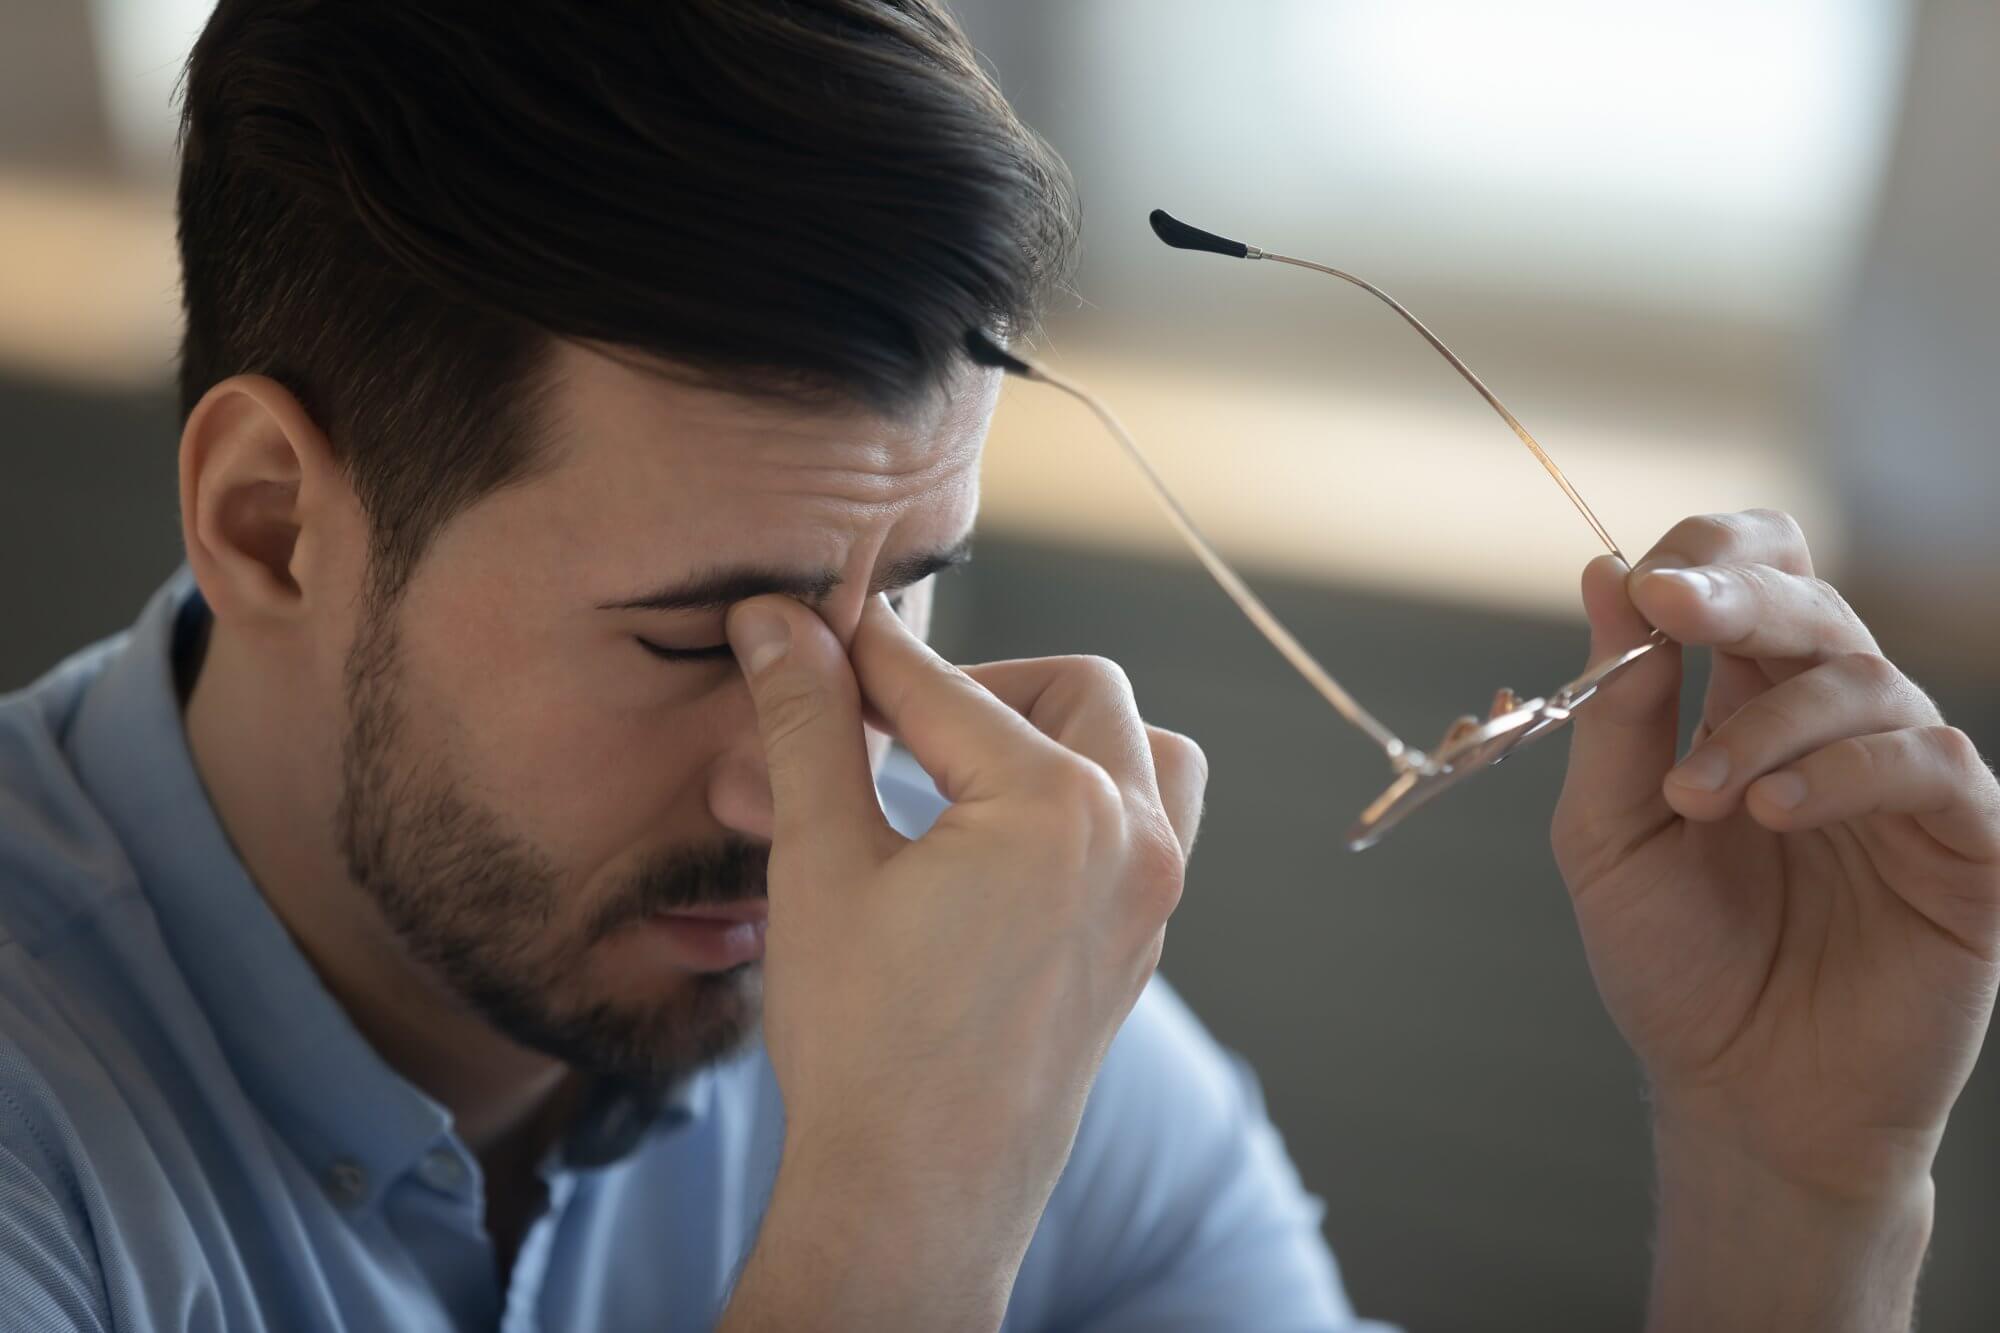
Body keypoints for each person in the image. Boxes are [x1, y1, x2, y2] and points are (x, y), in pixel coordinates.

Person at [1, 3, 1994, 1330]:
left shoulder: (984, 1007)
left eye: (911, 594)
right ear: (272, 520)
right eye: (704, 634)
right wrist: (896, 1222)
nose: (818, 788)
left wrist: (1791, 1184)